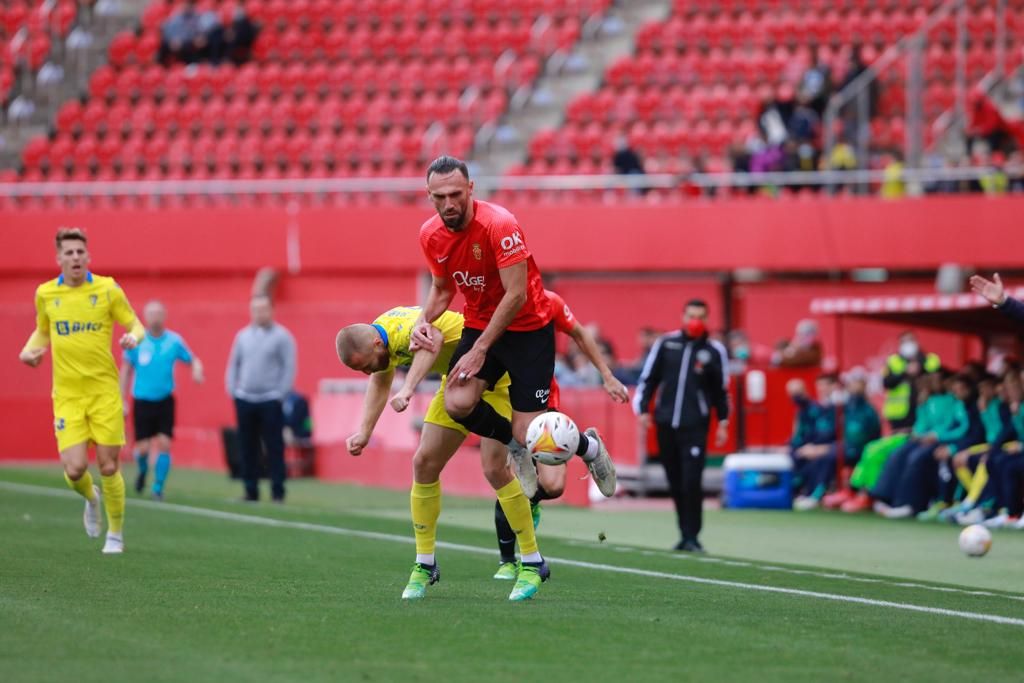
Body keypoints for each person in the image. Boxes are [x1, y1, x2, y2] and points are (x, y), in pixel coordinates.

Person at [408, 156, 617, 597]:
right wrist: (424, 321)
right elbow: (444, 290)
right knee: (458, 402)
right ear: (430, 197)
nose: (448, 204)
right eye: (439, 197)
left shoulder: (500, 225)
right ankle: (513, 444)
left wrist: (483, 346)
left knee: (534, 436)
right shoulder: (431, 235)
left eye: (455, 194)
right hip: (480, 325)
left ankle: (589, 447)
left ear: (470, 188)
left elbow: (518, 293)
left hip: (527, 330)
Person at [336, 305, 545, 601]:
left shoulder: (399, 331)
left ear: (376, 344)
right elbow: (380, 380)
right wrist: (365, 431)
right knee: (423, 463)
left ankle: (532, 561)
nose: (366, 370)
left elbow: (431, 338)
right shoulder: (380, 340)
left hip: (496, 380)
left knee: (494, 470)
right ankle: (425, 563)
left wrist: (408, 389)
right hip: (458, 381)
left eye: (365, 364)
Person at [18, 227, 143, 554]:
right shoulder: (46, 294)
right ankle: (91, 497)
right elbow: (42, 332)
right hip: (68, 396)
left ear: (88, 257)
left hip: (104, 393)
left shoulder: (107, 290)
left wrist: (134, 338)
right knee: (74, 469)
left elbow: (135, 324)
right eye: (69, 253)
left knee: (108, 466)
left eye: (80, 252)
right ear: (59, 258)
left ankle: (115, 534)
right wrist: (28, 352)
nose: (75, 257)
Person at [492, 289, 629, 579]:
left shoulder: (547, 301)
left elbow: (579, 333)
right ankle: (507, 561)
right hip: (497, 395)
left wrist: (606, 375)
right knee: (501, 476)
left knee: (553, 486)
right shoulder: (486, 303)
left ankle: (587, 446)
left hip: (537, 394)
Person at [633, 299, 729, 552]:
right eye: (691, 315)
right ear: (683, 316)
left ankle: (692, 535)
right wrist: (642, 410)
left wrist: (723, 421)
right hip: (666, 423)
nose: (695, 320)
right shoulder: (666, 344)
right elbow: (649, 378)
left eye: (700, 316)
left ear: (707, 319)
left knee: (691, 481)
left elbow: (721, 390)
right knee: (674, 481)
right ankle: (683, 532)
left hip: (695, 425)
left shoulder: (714, 350)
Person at [841, 330, 941, 513]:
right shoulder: (894, 362)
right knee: (873, 450)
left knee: (890, 454)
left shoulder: (930, 363)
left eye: (911, 341)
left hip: (915, 432)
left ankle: (875, 496)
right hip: (900, 425)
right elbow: (887, 382)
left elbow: (937, 376)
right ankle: (861, 492)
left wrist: (920, 367)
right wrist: (905, 371)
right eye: (904, 341)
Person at [120, 300, 204, 500]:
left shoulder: (174, 341)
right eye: (151, 314)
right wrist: (121, 399)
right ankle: (142, 471)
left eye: (158, 314)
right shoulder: (137, 341)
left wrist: (197, 371)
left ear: (164, 316)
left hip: (165, 400)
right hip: (141, 400)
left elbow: (192, 359)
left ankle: (158, 488)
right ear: (145, 317)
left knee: (165, 443)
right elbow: (126, 370)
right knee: (142, 448)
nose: (155, 318)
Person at [225, 295, 296, 503]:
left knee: (274, 446)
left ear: (272, 310)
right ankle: (250, 490)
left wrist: (279, 395)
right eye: (255, 309)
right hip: (245, 399)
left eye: (263, 309)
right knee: (247, 446)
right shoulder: (243, 336)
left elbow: (289, 368)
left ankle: (277, 491)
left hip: (270, 400)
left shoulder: (283, 337)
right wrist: (233, 390)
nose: (259, 313)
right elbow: (233, 364)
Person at [871, 370, 969, 518]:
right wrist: (919, 433)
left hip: (944, 442)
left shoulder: (954, 400)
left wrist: (937, 435)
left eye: (937, 379)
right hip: (926, 439)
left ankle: (909, 504)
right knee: (898, 453)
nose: (933, 383)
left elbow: (958, 426)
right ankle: (886, 498)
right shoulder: (928, 399)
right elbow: (922, 424)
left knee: (916, 458)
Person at [821, 369, 883, 510]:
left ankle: (864, 495)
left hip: (864, 448)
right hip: (848, 446)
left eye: (857, 383)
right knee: (830, 454)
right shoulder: (847, 407)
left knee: (838, 455)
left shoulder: (868, 410)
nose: (853, 387)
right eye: (851, 383)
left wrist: (847, 446)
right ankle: (845, 491)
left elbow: (862, 435)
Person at [787, 376, 839, 511]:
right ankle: (797, 492)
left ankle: (814, 496)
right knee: (795, 453)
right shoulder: (812, 409)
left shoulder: (840, 409)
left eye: (825, 385)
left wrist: (820, 448)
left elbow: (844, 437)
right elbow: (802, 435)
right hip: (813, 447)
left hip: (833, 448)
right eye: (819, 386)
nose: (822, 389)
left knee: (824, 459)